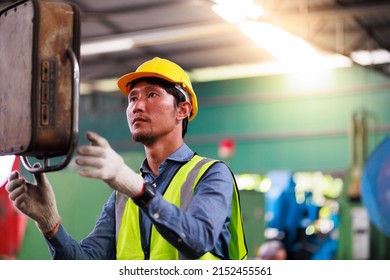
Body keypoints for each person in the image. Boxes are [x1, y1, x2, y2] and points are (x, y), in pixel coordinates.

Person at [6, 57, 247, 260]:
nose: (138, 106)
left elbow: (199, 239)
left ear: (182, 110)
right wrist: (51, 225)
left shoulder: (212, 175)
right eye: (132, 98)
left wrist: (139, 190)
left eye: (152, 95)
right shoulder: (123, 197)